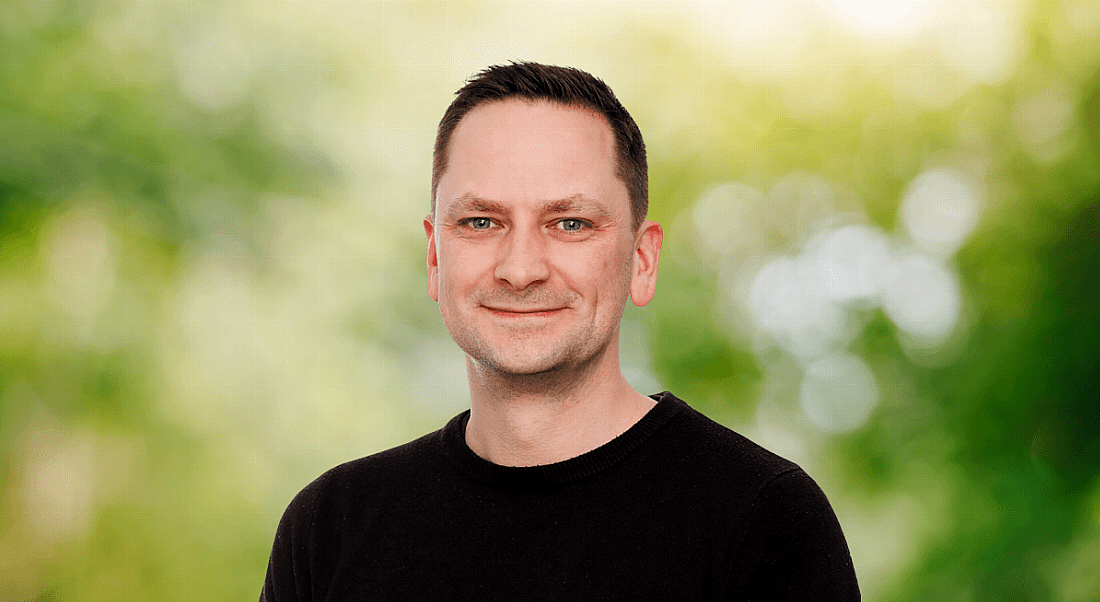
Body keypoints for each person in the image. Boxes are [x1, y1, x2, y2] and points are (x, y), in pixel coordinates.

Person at [260, 61, 860, 601]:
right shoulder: (328, 529)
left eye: (570, 223)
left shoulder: (763, 520)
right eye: (480, 221)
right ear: (435, 259)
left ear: (642, 262)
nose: (521, 268)